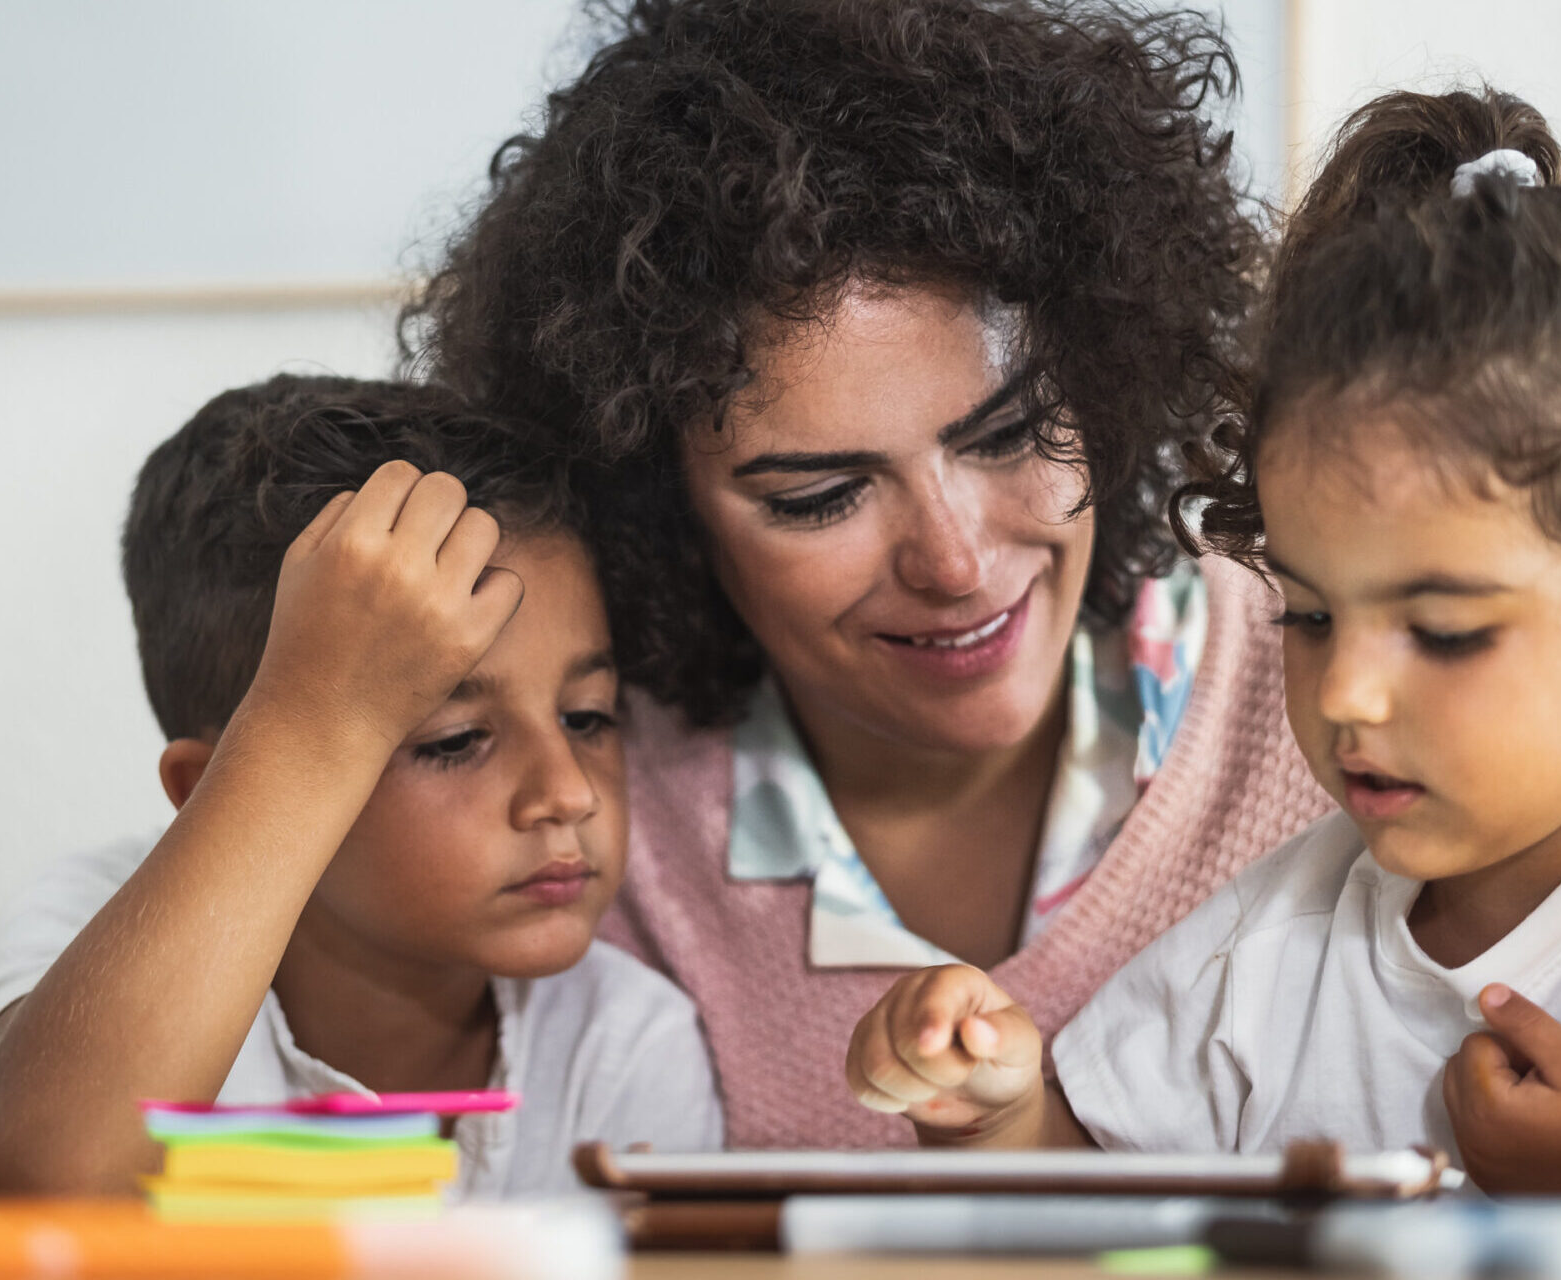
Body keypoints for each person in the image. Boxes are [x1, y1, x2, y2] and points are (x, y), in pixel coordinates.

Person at [843, 89, 1561, 1190]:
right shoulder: (1273, 947)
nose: (1347, 695)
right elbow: (1100, 1197)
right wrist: (996, 1116)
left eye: (1442, 630)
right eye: (1311, 614)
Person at [406, 0, 1333, 1149]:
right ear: (658, 512)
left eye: (1006, 433)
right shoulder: (584, 819)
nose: (955, 560)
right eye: (819, 497)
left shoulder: (1341, 673)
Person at [0, 376, 721, 1197]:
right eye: (456, 741)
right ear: (208, 788)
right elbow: (56, 1175)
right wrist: (308, 721)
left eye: (588, 717)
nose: (568, 794)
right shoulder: (97, 918)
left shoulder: (624, 1040)